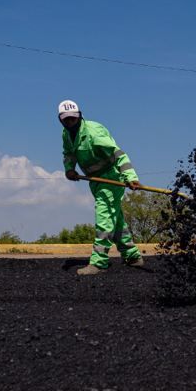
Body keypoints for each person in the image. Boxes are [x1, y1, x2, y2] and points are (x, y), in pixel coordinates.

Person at [58, 100, 145, 274]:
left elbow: (119, 154)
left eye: (73, 119)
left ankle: (99, 262)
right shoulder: (66, 134)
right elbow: (68, 153)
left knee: (104, 217)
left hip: (111, 178)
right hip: (95, 181)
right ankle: (133, 256)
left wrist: (131, 177)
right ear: (60, 120)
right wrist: (69, 169)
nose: (70, 122)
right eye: (66, 120)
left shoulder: (93, 133)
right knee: (116, 219)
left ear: (80, 116)